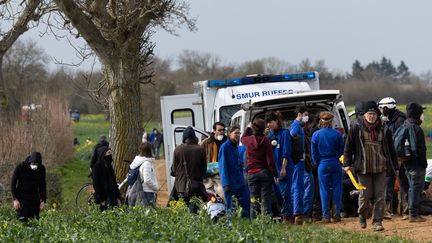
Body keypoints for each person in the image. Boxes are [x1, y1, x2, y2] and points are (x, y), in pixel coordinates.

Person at [343, 101, 398, 231]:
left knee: (380, 196)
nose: (372, 116)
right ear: (364, 115)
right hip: (363, 169)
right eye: (369, 114)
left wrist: (395, 165)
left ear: (377, 115)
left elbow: (391, 149)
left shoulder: (384, 128)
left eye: (374, 114)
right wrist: (347, 164)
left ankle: (377, 222)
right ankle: (362, 215)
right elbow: (348, 147)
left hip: (380, 168)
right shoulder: (356, 127)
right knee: (365, 195)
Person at [311, 112, 345, 223]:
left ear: (321, 122)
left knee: (324, 190)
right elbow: (341, 151)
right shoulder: (337, 134)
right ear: (331, 122)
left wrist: (317, 164)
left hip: (322, 164)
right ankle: (336, 214)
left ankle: (326, 216)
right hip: (335, 162)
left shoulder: (316, 135)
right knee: (337, 188)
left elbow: (314, 153)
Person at [241, 118, 277, 219]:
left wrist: (248, 128)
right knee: (265, 198)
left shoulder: (248, 140)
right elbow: (270, 160)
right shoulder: (266, 141)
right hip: (264, 172)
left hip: (252, 174)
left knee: (253, 198)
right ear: (263, 129)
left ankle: (254, 221)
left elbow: (242, 138)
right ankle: (266, 222)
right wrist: (275, 173)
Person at [378, 97, 407, 220]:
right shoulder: (391, 119)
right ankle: (387, 210)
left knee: (403, 183)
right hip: (390, 156)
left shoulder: (400, 120)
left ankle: (405, 210)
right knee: (389, 183)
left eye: (381, 108)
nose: (380, 111)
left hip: (399, 156)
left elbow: (398, 139)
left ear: (386, 108)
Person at [265, 111, 294, 224]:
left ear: (276, 121)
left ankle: (287, 216)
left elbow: (286, 152)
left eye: (270, 122)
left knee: (286, 192)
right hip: (273, 169)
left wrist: (283, 168)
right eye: (267, 123)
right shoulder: (269, 135)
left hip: (284, 167)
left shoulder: (284, 134)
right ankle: (284, 213)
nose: (269, 125)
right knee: (277, 193)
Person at [170, 126, 207, 214]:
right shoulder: (200, 149)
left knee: (182, 213)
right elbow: (204, 171)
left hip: (181, 187)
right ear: (194, 137)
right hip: (196, 187)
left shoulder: (177, 150)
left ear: (184, 138)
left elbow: (173, 170)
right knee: (194, 213)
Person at [402, 102, 428, 222]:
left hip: (407, 163)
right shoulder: (416, 128)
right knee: (416, 188)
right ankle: (413, 214)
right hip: (416, 164)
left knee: (412, 187)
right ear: (417, 114)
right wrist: (423, 164)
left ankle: (410, 212)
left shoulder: (405, 125)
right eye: (421, 113)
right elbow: (420, 149)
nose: (423, 115)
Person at [218, 125, 250, 218]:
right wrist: (226, 183)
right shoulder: (225, 147)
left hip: (239, 181)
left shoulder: (235, 147)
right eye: (235, 133)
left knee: (246, 202)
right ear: (229, 133)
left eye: (239, 133)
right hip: (230, 183)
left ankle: (246, 225)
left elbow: (239, 164)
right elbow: (223, 166)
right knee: (231, 207)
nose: (238, 135)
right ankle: (230, 228)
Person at [11, 152, 46, 222]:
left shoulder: (41, 169)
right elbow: (13, 184)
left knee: (34, 221)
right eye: (33, 164)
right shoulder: (20, 167)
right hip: (22, 198)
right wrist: (15, 199)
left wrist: (43, 200)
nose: (34, 166)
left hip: (35, 198)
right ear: (30, 162)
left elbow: (43, 185)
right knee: (22, 220)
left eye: (36, 164)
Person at [289, 106, 308, 224]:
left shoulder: (298, 126)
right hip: (297, 160)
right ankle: (297, 213)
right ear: (299, 115)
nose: (307, 117)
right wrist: (297, 154)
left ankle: (295, 212)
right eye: (305, 114)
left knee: (296, 187)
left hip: (297, 160)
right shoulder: (296, 126)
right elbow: (293, 138)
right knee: (298, 187)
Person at [201, 122, 227, 198]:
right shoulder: (206, 143)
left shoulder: (227, 142)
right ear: (214, 131)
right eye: (219, 130)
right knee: (210, 196)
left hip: (223, 173)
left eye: (223, 130)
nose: (221, 132)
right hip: (209, 174)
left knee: (223, 194)